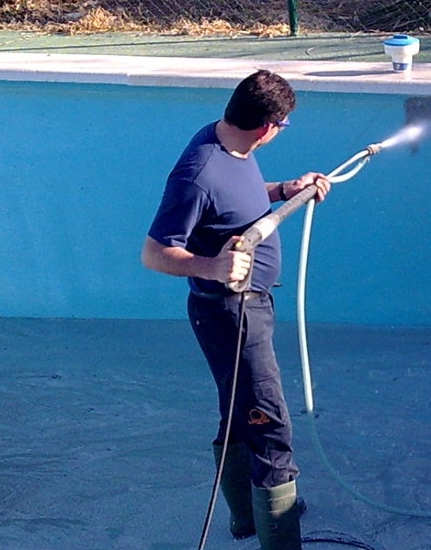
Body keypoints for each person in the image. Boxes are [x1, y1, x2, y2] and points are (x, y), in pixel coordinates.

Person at [141, 70, 330, 549]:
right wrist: (213, 265)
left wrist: (285, 188)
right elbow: (154, 253)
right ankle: (279, 530)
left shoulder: (229, 143)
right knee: (270, 426)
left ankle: (249, 520)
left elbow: (236, 198)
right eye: (281, 127)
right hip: (230, 313)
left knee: (239, 415)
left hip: (249, 307)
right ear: (267, 127)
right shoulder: (197, 173)